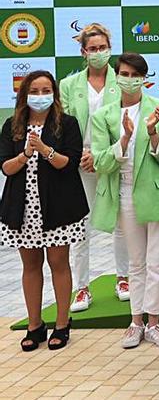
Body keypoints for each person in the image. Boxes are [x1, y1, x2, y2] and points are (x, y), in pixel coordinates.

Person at [91, 52, 159, 349]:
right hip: (124, 192)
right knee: (136, 262)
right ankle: (135, 322)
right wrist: (125, 139)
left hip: (156, 191)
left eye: (135, 74)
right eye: (124, 73)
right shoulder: (104, 115)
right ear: (116, 76)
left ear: (145, 77)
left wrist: (152, 133)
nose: (129, 79)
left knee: (158, 262)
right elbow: (101, 162)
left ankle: (154, 322)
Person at [1, 71, 85, 352]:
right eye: (34, 91)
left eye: (46, 90)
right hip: (23, 207)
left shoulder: (67, 124)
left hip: (59, 206)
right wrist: (25, 153)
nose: (40, 96)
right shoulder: (12, 125)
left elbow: (68, 163)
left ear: (54, 94)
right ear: (24, 94)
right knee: (31, 265)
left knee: (59, 263)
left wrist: (45, 150)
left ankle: (62, 324)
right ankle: (34, 326)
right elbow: (6, 168)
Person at [60, 24, 127, 312]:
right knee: (80, 227)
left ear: (109, 48)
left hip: (114, 158)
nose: (99, 53)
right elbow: (63, 127)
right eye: (93, 48)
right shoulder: (68, 85)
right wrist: (81, 154)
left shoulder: (122, 81)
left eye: (103, 47)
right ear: (83, 52)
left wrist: (104, 155)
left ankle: (124, 279)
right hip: (80, 161)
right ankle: (82, 288)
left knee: (122, 223)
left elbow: (127, 124)